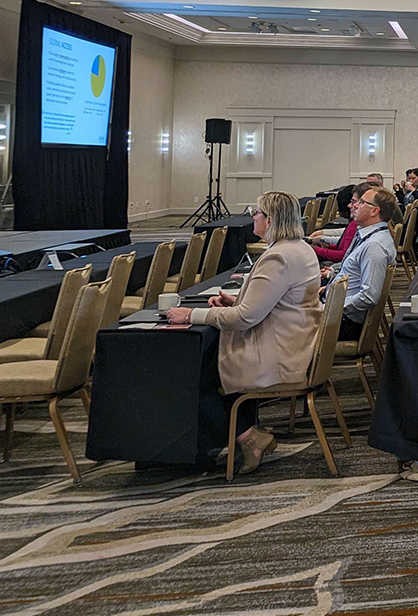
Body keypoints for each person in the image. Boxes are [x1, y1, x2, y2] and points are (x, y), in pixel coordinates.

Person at [166, 191, 322, 475]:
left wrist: (191, 315)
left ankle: (248, 437)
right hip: (292, 342)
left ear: (271, 220)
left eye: (257, 213)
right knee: (207, 364)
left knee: (191, 377)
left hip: (278, 353)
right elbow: (269, 302)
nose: (253, 218)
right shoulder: (299, 248)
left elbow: (246, 318)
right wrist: (235, 301)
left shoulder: (279, 258)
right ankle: (247, 432)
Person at [328, 186, 400, 342]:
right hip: (340, 314)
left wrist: (331, 307)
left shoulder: (374, 246)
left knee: (284, 323)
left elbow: (369, 296)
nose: (353, 205)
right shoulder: (368, 235)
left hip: (344, 323)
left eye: (361, 202)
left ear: (374, 211)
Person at [308, 187, 361, 263]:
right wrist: (328, 245)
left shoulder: (354, 225)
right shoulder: (354, 224)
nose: (350, 205)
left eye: (353, 202)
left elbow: (343, 255)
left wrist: (317, 249)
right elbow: (344, 246)